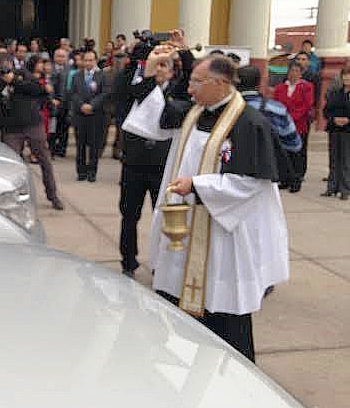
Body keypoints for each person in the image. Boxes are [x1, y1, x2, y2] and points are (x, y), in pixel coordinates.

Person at [123, 47, 289, 362]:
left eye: (197, 81)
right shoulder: (194, 111)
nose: (189, 87)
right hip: (186, 228)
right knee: (177, 300)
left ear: (220, 83)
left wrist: (197, 186)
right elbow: (152, 117)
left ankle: (233, 370)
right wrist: (149, 74)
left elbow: (252, 183)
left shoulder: (248, 123)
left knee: (222, 306)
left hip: (225, 232)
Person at [118, 45, 190, 278]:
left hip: (161, 165)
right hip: (134, 164)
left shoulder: (178, 93)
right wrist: (150, 61)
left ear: (172, 72)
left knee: (162, 215)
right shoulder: (140, 88)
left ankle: (161, 262)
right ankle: (128, 261)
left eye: (165, 66)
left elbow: (190, 74)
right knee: (129, 215)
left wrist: (185, 51)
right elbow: (131, 84)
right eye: (156, 65)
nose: (160, 70)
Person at [0, 62, 64, 211]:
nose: (5, 70)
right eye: (3, 69)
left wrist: (14, 80)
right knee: (11, 164)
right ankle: (12, 197)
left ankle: (53, 195)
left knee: (44, 160)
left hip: (33, 124)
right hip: (11, 128)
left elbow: (37, 89)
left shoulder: (23, 75)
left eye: (7, 66)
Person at [274, 62, 314, 193]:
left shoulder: (306, 87)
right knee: (284, 153)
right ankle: (285, 180)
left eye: (297, 71)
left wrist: (291, 118)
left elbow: (306, 105)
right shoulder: (280, 87)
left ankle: (296, 181)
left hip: (298, 125)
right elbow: (276, 104)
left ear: (301, 73)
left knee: (297, 154)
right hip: (282, 125)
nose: (293, 73)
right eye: (292, 70)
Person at [70, 50, 106, 182]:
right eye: (86, 60)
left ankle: (92, 172)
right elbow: (73, 93)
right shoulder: (76, 76)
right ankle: (81, 171)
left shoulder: (101, 75)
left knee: (94, 145)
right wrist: (82, 106)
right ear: (82, 61)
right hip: (80, 115)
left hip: (96, 115)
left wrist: (92, 105)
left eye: (91, 60)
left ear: (95, 61)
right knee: (80, 145)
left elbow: (104, 93)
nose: (88, 63)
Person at [323, 67, 350, 200]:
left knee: (346, 161)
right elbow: (326, 111)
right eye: (344, 76)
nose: (346, 78)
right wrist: (334, 119)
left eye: (349, 76)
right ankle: (331, 188)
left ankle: (345, 189)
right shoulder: (335, 93)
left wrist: (347, 120)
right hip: (334, 130)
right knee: (333, 160)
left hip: (348, 131)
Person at [100, 52, 128, 159]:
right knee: (103, 130)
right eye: (116, 58)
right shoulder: (106, 72)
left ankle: (117, 151)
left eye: (121, 58)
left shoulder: (127, 72)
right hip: (107, 104)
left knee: (120, 132)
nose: (118, 61)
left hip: (121, 105)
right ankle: (99, 150)